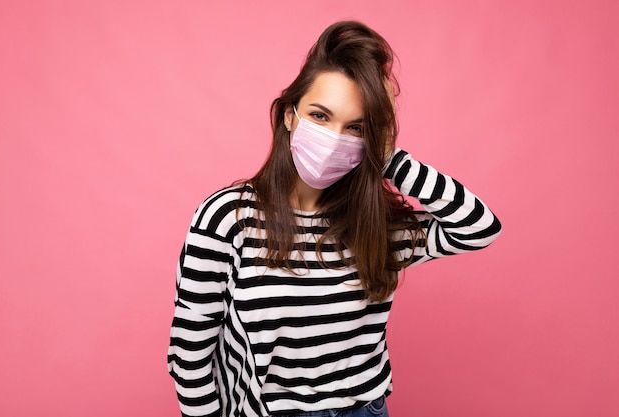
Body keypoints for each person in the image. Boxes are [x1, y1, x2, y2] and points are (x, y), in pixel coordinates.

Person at [168, 21, 501, 417]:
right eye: (321, 116)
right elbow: (190, 352)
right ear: (289, 116)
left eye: (355, 127)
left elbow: (479, 226)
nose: (334, 138)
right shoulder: (228, 217)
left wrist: (390, 158)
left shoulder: (377, 224)